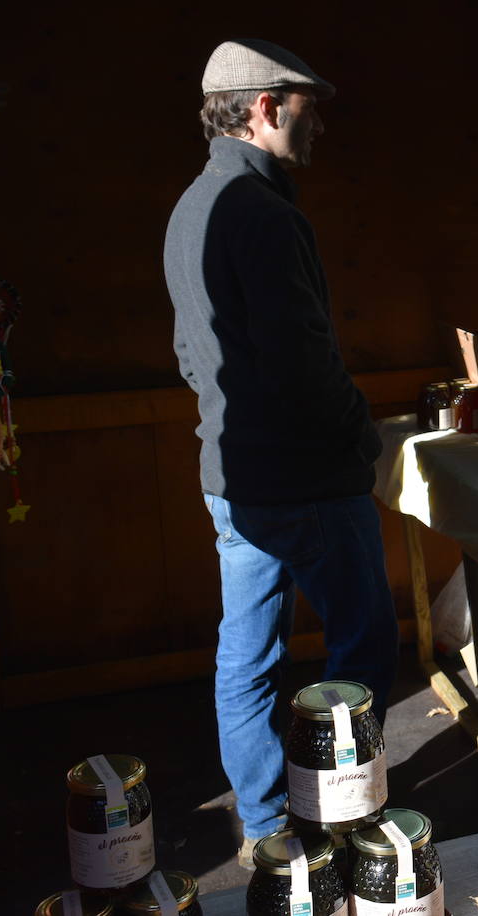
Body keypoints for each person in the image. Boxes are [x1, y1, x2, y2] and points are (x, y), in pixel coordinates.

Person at [163, 39, 398, 864]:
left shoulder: (192, 205)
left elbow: (194, 359)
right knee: (364, 648)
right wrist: (364, 436)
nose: (320, 125)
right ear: (265, 107)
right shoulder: (262, 213)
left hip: (232, 478)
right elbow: (306, 362)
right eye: (308, 107)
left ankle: (266, 827)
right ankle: (341, 813)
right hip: (307, 480)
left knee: (248, 658)